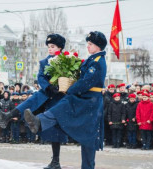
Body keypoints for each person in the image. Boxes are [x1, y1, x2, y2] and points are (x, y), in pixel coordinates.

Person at [24, 31, 107, 169]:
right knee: (63, 106)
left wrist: (70, 89)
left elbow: (85, 82)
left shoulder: (98, 62)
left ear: (98, 46)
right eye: (88, 43)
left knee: (88, 138)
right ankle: (39, 121)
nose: (88, 46)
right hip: (85, 99)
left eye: (90, 44)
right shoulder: (92, 59)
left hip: (90, 101)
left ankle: (40, 121)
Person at [0, 33, 68, 169]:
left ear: (60, 48)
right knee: (30, 100)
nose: (50, 49)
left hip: (59, 97)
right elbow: (40, 77)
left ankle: (55, 161)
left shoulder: (67, 61)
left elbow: (70, 77)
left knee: (55, 129)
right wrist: (48, 86)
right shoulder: (44, 62)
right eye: (48, 47)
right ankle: (7, 116)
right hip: (47, 93)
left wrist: (60, 87)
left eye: (53, 46)